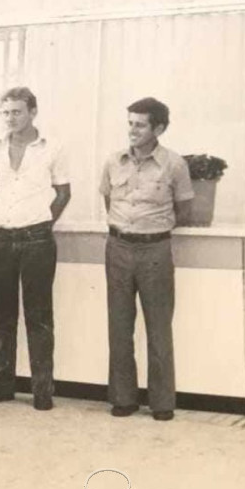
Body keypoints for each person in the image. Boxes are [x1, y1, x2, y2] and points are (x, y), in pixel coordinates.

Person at [0, 87, 72, 411]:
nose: (10, 118)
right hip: (0, 238)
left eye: (16, 112)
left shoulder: (52, 147)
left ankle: (42, 390)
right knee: (2, 315)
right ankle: (0, 385)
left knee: (39, 316)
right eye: (5, 112)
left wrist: (41, 222)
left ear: (32, 112)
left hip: (37, 240)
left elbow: (64, 193)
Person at [100, 97, 193, 421]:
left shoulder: (174, 164)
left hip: (155, 250)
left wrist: (151, 230)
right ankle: (123, 398)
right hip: (118, 248)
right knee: (119, 325)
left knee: (159, 327)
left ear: (159, 128)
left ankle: (162, 403)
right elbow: (108, 200)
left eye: (140, 125)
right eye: (130, 123)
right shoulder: (113, 161)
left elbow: (184, 210)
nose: (133, 130)